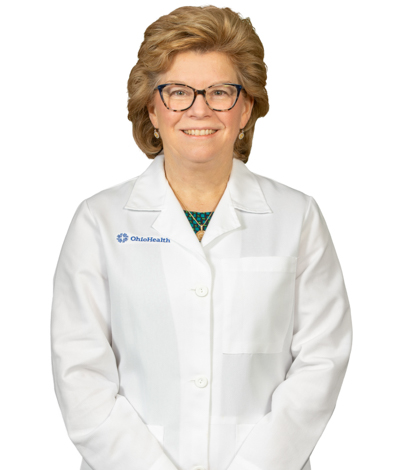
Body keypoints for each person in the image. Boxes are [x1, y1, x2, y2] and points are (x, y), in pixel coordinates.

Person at [51, 6, 352, 470]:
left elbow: (321, 362)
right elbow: (80, 375)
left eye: (220, 92)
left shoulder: (298, 217)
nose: (199, 109)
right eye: (178, 92)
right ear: (152, 107)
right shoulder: (98, 222)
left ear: (246, 107)